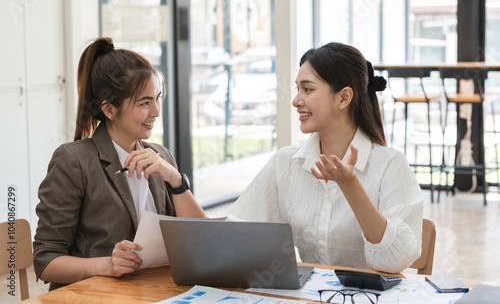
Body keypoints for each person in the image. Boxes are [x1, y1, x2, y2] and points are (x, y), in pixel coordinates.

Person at [227, 42, 423, 273]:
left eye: (308, 90)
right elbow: (236, 233)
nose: (296, 100)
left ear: (343, 98)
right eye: (297, 89)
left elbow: (394, 261)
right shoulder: (286, 163)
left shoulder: (390, 165)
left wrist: (350, 185)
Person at [33, 37, 206, 290]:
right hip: (96, 296)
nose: (156, 112)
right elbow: (45, 261)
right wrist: (106, 265)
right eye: (144, 102)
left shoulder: (161, 157)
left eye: (157, 98)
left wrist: (175, 179)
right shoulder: (74, 161)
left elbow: (202, 241)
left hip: (153, 292)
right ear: (110, 110)